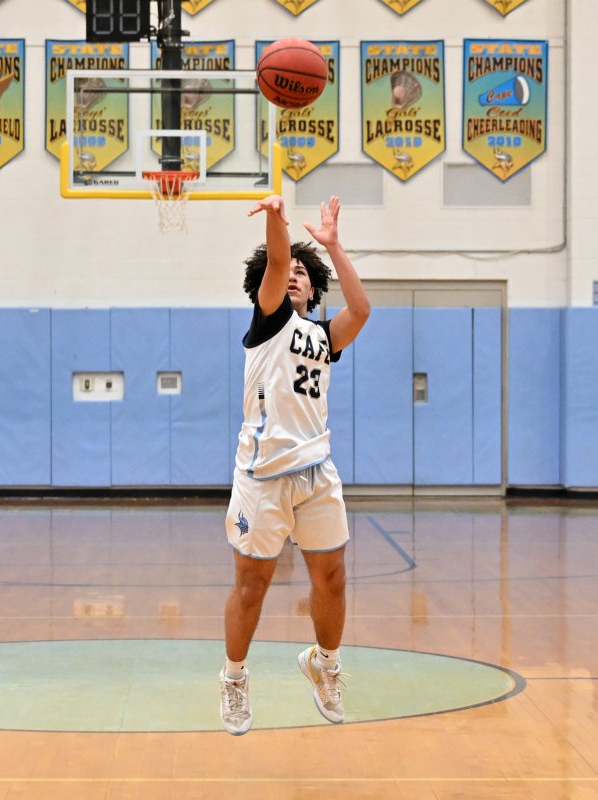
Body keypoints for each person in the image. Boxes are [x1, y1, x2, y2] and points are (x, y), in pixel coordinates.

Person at [220, 194, 370, 735]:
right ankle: (234, 678)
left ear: (313, 288)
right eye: (285, 271)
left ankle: (325, 664)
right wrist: (276, 220)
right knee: (252, 586)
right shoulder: (269, 321)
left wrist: (334, 245)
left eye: (303, 273)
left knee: (332, 578)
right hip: (262, 475)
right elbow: (279, 260)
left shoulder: (323, 337)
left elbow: (361, 311)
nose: (292, 275)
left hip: (316, 471)